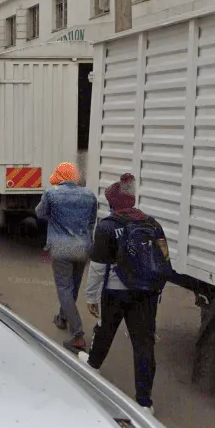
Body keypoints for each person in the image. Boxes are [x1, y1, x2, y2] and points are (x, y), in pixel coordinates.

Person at [81, 173, 171, 407]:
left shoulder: (107, 227)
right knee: (143, 343)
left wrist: (91, 297)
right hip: (146, 292)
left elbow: (98, 268)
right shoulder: (152, 223)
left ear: (113, 203)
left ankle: (92, 367)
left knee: (105, 329)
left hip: (115, 291)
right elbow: (164, 258)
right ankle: (144, 402)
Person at [34, 162, 98, 353]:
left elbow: (39, 213)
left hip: (61, 246)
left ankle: (77, 334)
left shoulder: (51, 194)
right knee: (73, 286)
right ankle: (63, 318)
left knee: (64, 288)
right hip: (82, 246)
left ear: (59, 175)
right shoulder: (89, 195)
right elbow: (92, 221)